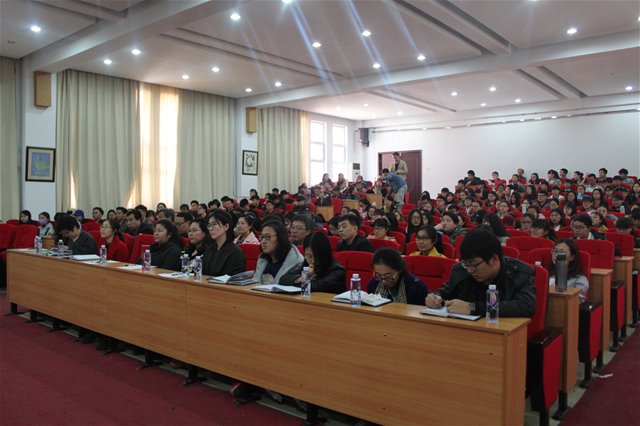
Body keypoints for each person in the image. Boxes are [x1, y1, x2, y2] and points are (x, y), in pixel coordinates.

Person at [425, 228, 536, 317]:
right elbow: (446, 292)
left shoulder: (519, 273)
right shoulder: (461, 270)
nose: (469, 270)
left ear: (494, 259)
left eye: (474, 265)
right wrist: (436, 297)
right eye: (466, 264)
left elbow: (525, 306)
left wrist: (473, 307)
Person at [202, 210, 245, 276]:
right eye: (209, 225)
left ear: (226, 226)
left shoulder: (235, 252)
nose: (210, 228)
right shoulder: (209, 250)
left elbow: (230, 278)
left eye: (214, 224)